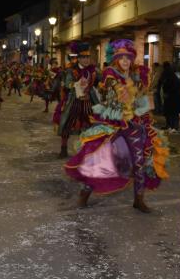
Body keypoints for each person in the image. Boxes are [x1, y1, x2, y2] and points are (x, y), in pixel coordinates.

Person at [65, 39, 169, 213]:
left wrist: (142, 108)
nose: (125, 61)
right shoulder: (111, 73)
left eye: (128, 57)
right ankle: (85, 193)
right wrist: (125, 98)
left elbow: (143, 99)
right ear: (116, 59)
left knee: (139, 162)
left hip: (136, 124)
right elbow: (116, 94)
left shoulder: (139, 74)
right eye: (122, 58)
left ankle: (139, 199)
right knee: (101, 159)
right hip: (115, 122)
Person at [53, 41, 98, 159]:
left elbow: (100, 82)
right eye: (83, 57)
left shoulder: (93, 71)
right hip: (74, 100)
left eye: (88, 57)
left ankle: (87, 149)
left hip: (89, 100)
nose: (86, 60)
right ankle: (63, 148)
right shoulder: (71, 70)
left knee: (92, 123)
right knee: (67, 122)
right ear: (78, 58)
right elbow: (67, 84)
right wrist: (76, 84)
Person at [159, 62, 180, 133]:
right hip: (171, 97)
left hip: (173, 97)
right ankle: (170, 126)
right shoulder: (170, 75)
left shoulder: (171, 76)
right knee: (169, 112)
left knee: (174, 113)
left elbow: (175, 86)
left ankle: (175, 127)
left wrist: (168, 93)